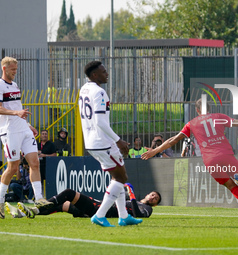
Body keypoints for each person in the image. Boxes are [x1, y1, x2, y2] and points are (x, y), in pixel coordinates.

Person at [142, 99, 238, 214]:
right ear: (209, 108)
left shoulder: (192, 123)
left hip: (210, 160)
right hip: (225, 154)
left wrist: (155, 151)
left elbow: (174, 140)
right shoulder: (219, 117)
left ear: (197, 111)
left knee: (230, 185)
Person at [79, 60, 142, 227]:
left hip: (91, 141)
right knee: (121, 178)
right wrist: (118, 140)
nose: (107, 74)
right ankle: (99, 215)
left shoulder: (84, 89)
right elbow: (100, 121)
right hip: (103, 142)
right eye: (103, 71)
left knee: (116, 178)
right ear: (94, 75)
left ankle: (123, 216)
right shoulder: (99, 92)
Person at [0, 56, 53, 219]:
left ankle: (39, 199)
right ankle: (0, 200)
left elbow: (18, 107)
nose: (15, 72)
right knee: (13, 167)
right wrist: (16, 114)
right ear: (4, 68)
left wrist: (27, 124)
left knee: (34, 162)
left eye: (16, 69)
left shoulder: (14, 85)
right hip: (10, 131)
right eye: (12, 69)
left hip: (23, 129)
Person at [6, 184, 161, 219]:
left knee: (68, 193)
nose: (153, 197)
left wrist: (132, 195)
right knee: (62, 206)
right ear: (148, 194)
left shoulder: (147, 209)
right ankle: (26, 212)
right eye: (153, 194)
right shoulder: (126, 198)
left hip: (98, 209)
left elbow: (139, 215)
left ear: (154, 204)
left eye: (155, 199)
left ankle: (38, 206)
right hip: (98, 206)